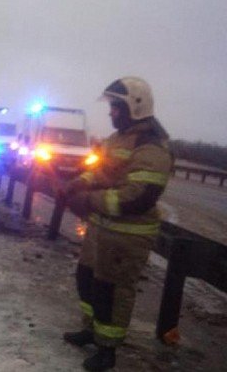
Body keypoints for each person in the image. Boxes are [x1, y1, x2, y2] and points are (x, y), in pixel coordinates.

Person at [61, 77, 173, 371]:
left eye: (115, 107)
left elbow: (137, 198)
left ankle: (107, 350)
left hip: (127, 236)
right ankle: (92, 330)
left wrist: (88, 200)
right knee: (86, 280)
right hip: (102, 230)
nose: (111, 112)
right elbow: (100, 172)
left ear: (134, 107)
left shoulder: (152, 147)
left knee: (112, 292)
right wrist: (77, 183)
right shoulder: (117, 140)